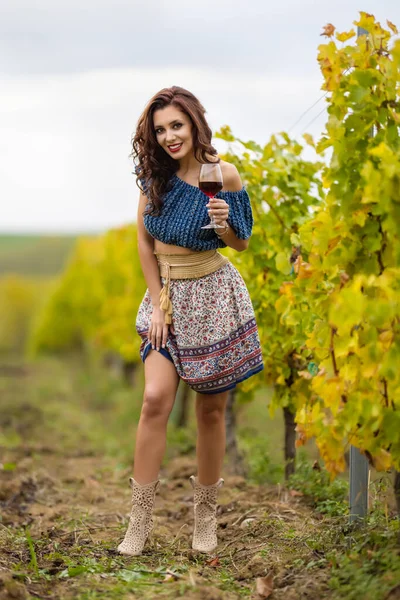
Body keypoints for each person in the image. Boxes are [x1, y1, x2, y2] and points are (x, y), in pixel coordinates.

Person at [117, 86, 263, 557]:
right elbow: (144, 243)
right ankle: (138, 523)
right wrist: (158, 303)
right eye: (160, 130)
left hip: (214, 297)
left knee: (210, 411)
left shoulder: (224, 175)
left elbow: (239, 242)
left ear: (195, 123)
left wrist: (222, 222)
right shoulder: (153, 178)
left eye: (176, 125)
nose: (168, 137)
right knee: (155, 399)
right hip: (166, 299)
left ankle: (205, 518)